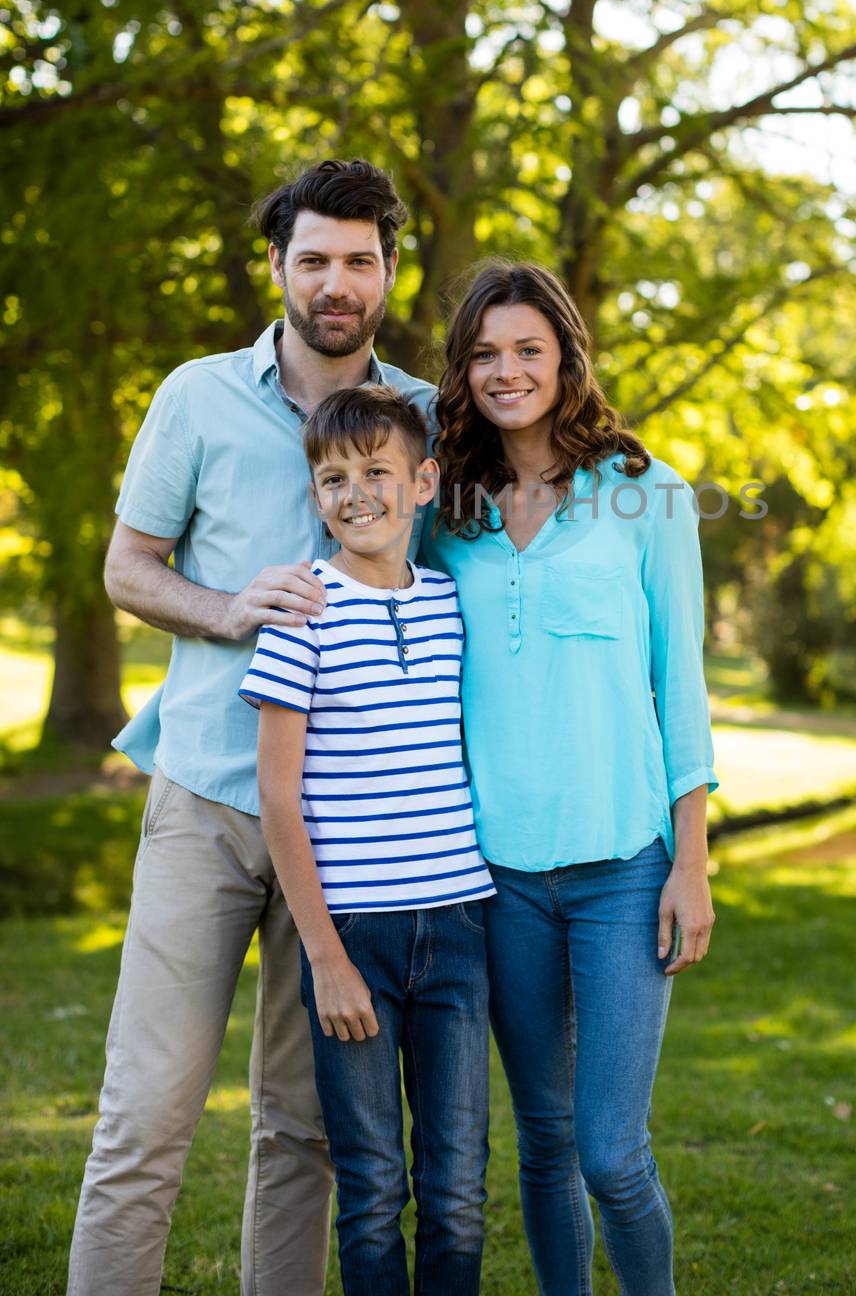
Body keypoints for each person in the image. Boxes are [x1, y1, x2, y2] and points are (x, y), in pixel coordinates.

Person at [68, 159, 436, 1296]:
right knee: (144, 1117)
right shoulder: (194, 395)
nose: (337, 281)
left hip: (348, 836)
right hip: (207, 801)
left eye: (359, 260)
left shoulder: (424, 417)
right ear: (275, 263)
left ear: (386, 271)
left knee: (302, 1130)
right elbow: (129, 566)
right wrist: (224, 610)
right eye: (314, 257)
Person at [422, 260, 718, 1296]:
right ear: (460, 371)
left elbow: (678, 687)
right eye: (483, 353)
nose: (505, 370)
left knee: (609, 1152)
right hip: (493, 878)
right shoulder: (443, 510)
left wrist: (692, 862)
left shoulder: (647, 493)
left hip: (624, 871)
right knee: (541, 1144)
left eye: (526, 349)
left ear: (565, 358)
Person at [240, 384, 494, 1296]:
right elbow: (277, 797)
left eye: (377, 472)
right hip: (353, 937)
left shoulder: (451, 604)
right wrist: (326, 957)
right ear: (315, 496)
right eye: (334, 478)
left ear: (423, 483)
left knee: (458, 1187)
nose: (357, 494)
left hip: (461, 930)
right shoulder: (303, 615)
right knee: (375, 1184)